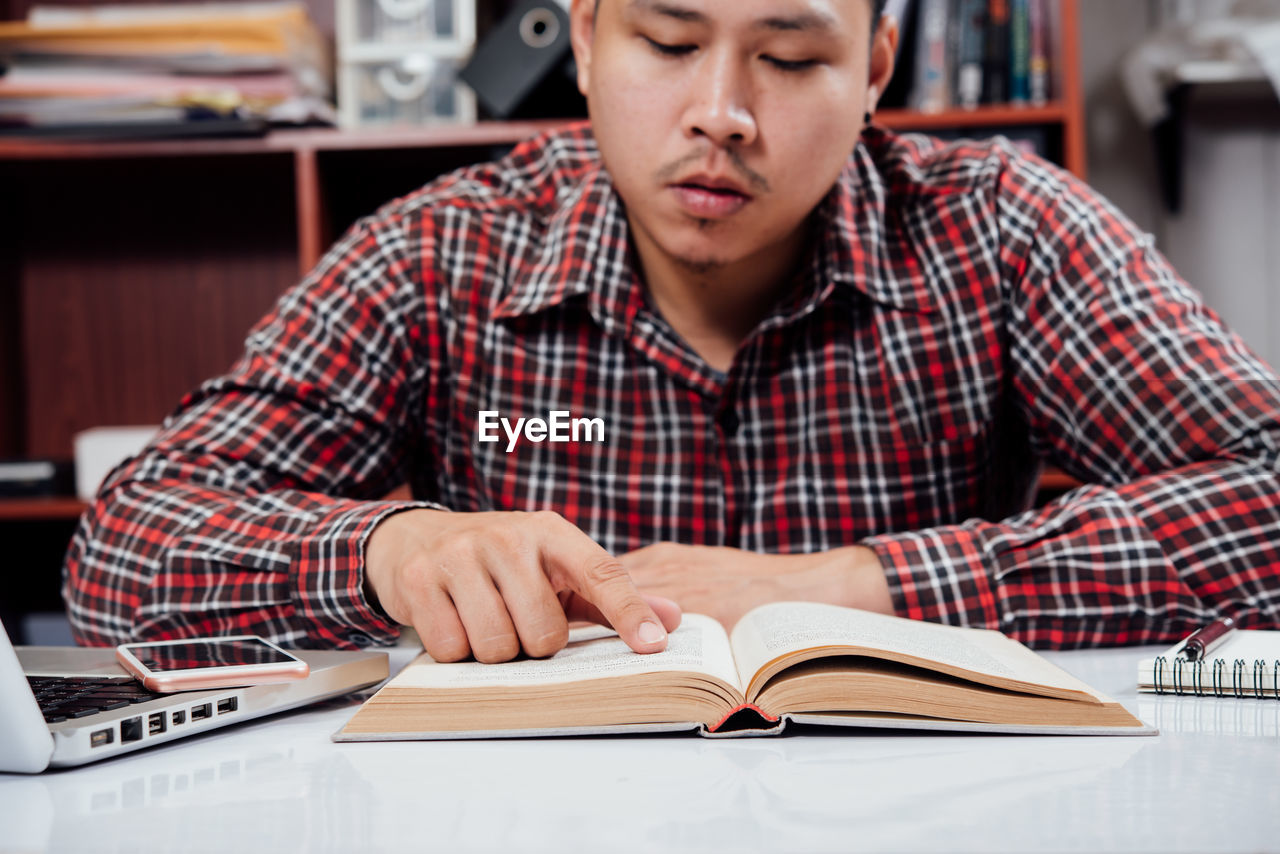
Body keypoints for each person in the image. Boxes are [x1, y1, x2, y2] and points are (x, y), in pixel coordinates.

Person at [65, 0, 1280, 664]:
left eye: (791, 56)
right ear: (583, 41)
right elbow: (126, 537)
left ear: (874, 71)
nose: (720, 115)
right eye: (666, 40)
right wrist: (394, 551)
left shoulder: (1002, 228)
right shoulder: (439, 252)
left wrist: (846, 586)